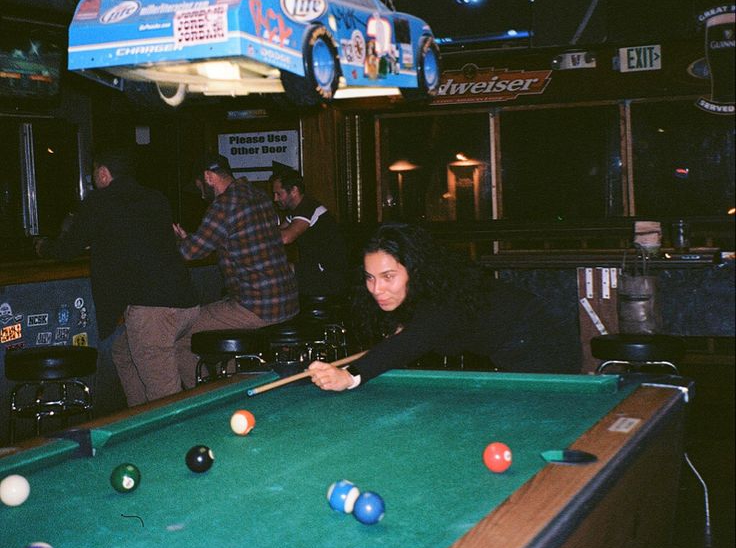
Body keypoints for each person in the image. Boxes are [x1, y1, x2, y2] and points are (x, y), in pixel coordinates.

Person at [307, 223, 579, 391]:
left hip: (543, 340)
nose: (377, 289)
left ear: (415, 270)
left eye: (388, 276)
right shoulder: (425, 290)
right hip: (515, 343)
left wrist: (350, 376)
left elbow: (410, 342)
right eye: (370, 277)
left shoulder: (441, 299)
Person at [36, 146, 200, 405]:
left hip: (153, 311)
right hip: (188, 305)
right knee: (123, 353)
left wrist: (43, 246)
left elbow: (68, 249)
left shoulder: (99, 201)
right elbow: (137, 240)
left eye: (93, 172)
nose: (92, 178)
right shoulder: (156, 198)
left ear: (103, 173)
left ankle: (168, 432)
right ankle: (138, 420)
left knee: (165, 398)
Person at [174, 154, 299, 380]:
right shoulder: (258, 195)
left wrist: (182, 241)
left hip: (256, 305)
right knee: (222, 324)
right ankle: (229, 387)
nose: (201, 194)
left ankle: (202, 398)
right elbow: (235, 237)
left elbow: (190, 252)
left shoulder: (224, 204)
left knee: (178, 335)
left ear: (208, 177)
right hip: (287, 301)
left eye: (200, 186)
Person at [271, 163, 349, 302]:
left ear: (294, 190)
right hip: (315, 271)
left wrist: (255, 233)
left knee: (273, 274)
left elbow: (286, 237)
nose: (275, 199)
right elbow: (278, 231)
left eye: (279, 194)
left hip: (327, 277)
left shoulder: (308, 207)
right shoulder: (297, 210)